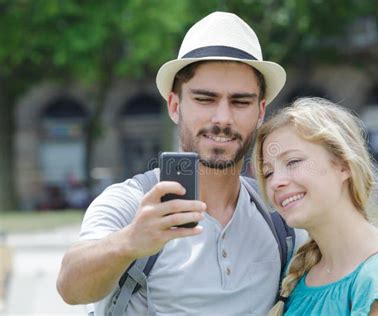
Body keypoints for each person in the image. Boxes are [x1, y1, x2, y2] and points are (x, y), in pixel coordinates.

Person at [57, 11, 307, 315]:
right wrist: (129, 242)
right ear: (175, 106)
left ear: (260, 111)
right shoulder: (131, 202)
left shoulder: (278, 216)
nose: (223, 118)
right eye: (205, 99)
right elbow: (70, 286)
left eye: (240, 102)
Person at [253, 97, 378, 315]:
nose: (275, 182)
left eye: (292, 162)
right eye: (268, 172)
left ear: (343, 165)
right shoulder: (299, 277)